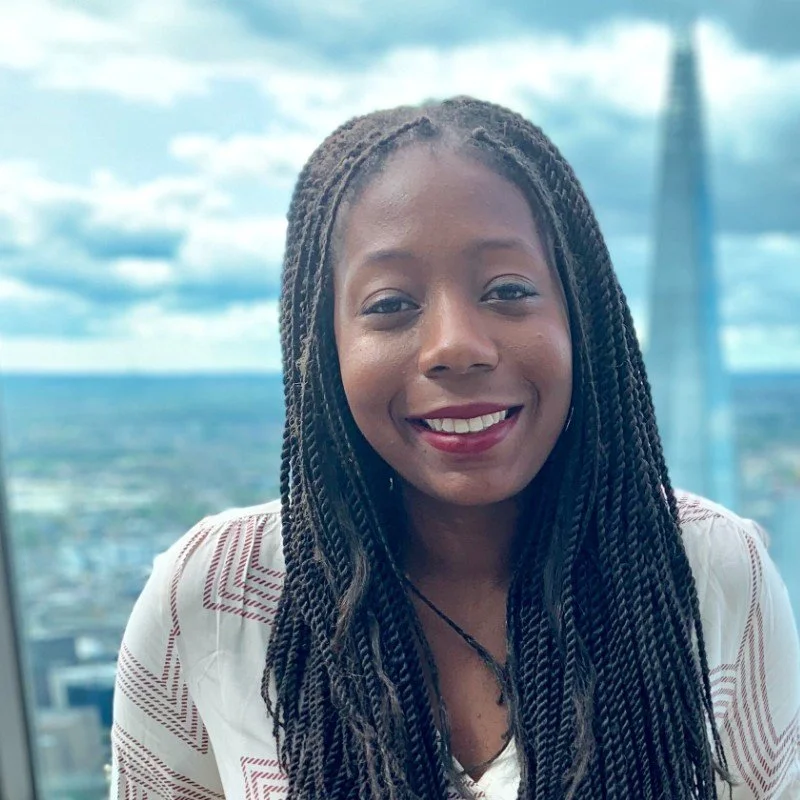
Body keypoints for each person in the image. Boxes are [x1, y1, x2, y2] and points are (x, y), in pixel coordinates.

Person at [109, 97, 800, 799]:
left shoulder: (710, 572)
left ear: (581, 317)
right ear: (325, 349)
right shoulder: (215, 594)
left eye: (507, 290)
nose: (456, 347)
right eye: (390, 304)